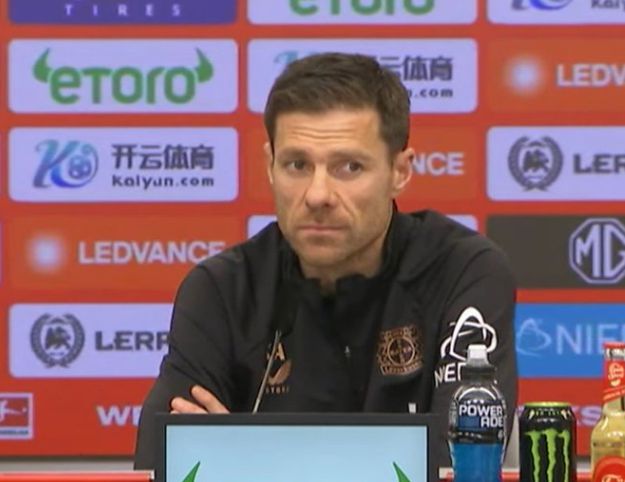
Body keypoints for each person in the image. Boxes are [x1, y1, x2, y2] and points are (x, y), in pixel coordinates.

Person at [134, 52, 517, 470]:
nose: (318, 195)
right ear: (270, 166)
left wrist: (239, 462)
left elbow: (462, 466)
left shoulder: (462, 272)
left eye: (349, 167)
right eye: (297, 165)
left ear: (400, 171)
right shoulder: (221, 290)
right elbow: (164, 466)